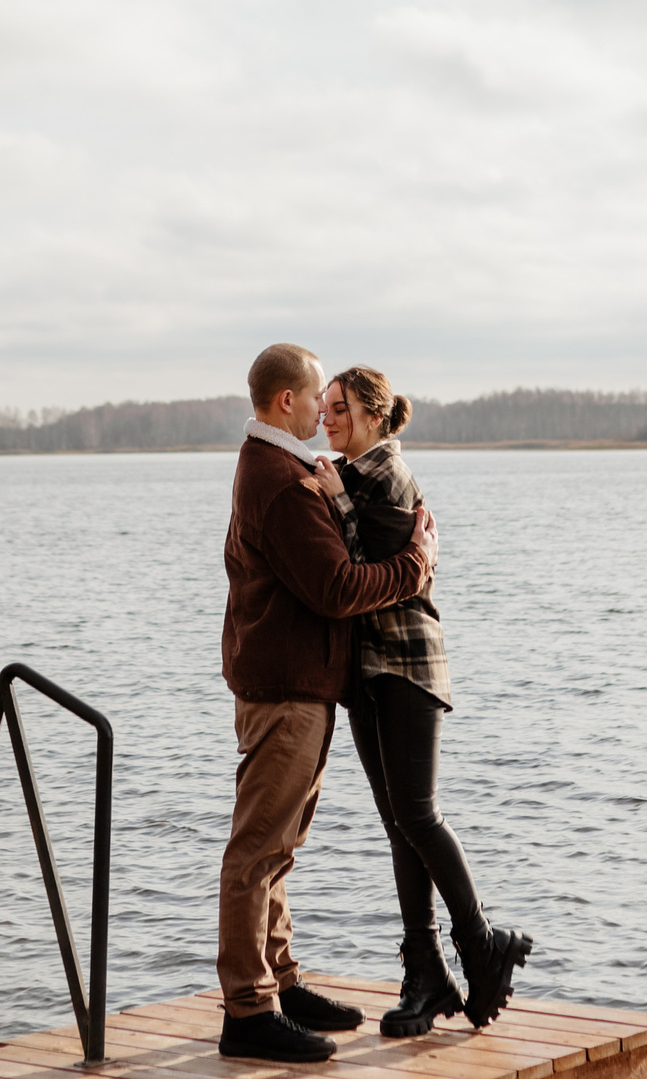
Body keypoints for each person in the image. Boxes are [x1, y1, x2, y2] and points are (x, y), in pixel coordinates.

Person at [218, 343, 438, 1064]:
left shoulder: (282, 468)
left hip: (297, 681)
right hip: (285, 687)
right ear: (288, 401)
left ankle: (280, 981)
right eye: (317, 396)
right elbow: (338, 586)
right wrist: (414, 565)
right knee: (257, 849)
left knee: (279, 848)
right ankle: (249, 1008)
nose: (323, 408)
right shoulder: (279, 480)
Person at [310, 365, 534, 1036]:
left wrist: (334, 497)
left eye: (340, 407)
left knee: (418, 812)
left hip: (406, 663)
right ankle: (427, 971)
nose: (329, 418)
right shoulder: (353, 475)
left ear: (375, 416)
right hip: (370, 672)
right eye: (324, 408)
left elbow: (362, 570)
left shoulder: (384, 474)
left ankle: (481, 941)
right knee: (398, 821)